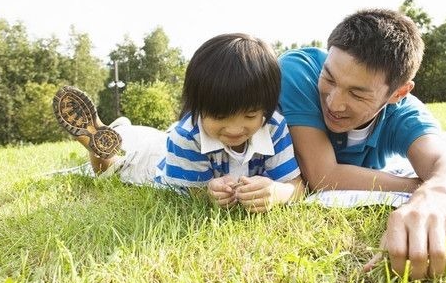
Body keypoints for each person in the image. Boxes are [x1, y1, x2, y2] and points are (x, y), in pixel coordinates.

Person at [278, 8, 446, 279]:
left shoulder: (406, 114)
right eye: (330, 78)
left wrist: (436, 196)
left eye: (358, 93)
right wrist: (425, 185)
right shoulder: (298, 71)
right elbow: (323, 175)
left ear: (398, 93)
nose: (334, 102)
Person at [53, 33, 304, 213]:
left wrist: (277, 193)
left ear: (268, 106)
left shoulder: (274, 126)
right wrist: (208, 193)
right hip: (158, 165)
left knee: (149, 138)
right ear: (197, 107)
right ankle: (103, 146)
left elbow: (296, 185)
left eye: (249, 116)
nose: (235, 129)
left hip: (170, 144)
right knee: (121, 166)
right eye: (218, 117)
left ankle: (122, 128)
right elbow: (192, 196)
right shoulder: (187, 134)